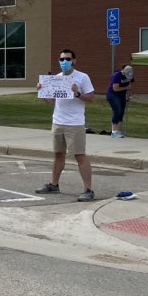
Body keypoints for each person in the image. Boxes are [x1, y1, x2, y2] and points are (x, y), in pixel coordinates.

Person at [36, 48, 96, 201]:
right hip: (58, 122)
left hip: (75, 124)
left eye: (68, 59)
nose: (64, 62)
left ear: (74, 61)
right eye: (62, 59)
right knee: (58, 155)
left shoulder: (82, 77)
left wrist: (77, 93)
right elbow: (51, 102)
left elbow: (90, 98)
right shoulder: (56, 78)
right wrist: (43, 92)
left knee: (79, 155)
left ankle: (88, 190)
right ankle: (54, 185)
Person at [106, 64, 133, 138]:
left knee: (121, 112)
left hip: (121, 96)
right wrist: (126, 87)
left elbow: (130, 85)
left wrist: (128, 96)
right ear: (124, 71)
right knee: (117, 111)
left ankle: (118, 131)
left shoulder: (129, 75)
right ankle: (113, 132)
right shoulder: (117, 76)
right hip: (113, 95)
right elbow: (115, 88)